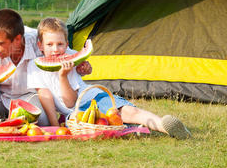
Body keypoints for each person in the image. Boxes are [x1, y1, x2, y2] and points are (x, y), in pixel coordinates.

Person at [27, 17, 191, 139]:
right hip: (75, 115)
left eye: (60, 44)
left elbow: (71, 99)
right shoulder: (34, 67)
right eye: (49, 45)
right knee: (104, 127)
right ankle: (132, 128)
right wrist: (55, 127)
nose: (56, 50)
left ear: (67, 44)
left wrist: (75, 72)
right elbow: (47, 97)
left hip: (94, 97)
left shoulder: (71, 56)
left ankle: (168, 127)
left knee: (129, 112)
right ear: (40, 45)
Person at [0, 9, 92, 128]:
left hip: (30, 96)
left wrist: (81, 65)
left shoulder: (38, 41)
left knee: (44, 121)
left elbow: (64, 53)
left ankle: (2, 122)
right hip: (1, 98)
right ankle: (3, 121)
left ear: (17, 40)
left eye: (0, 43)